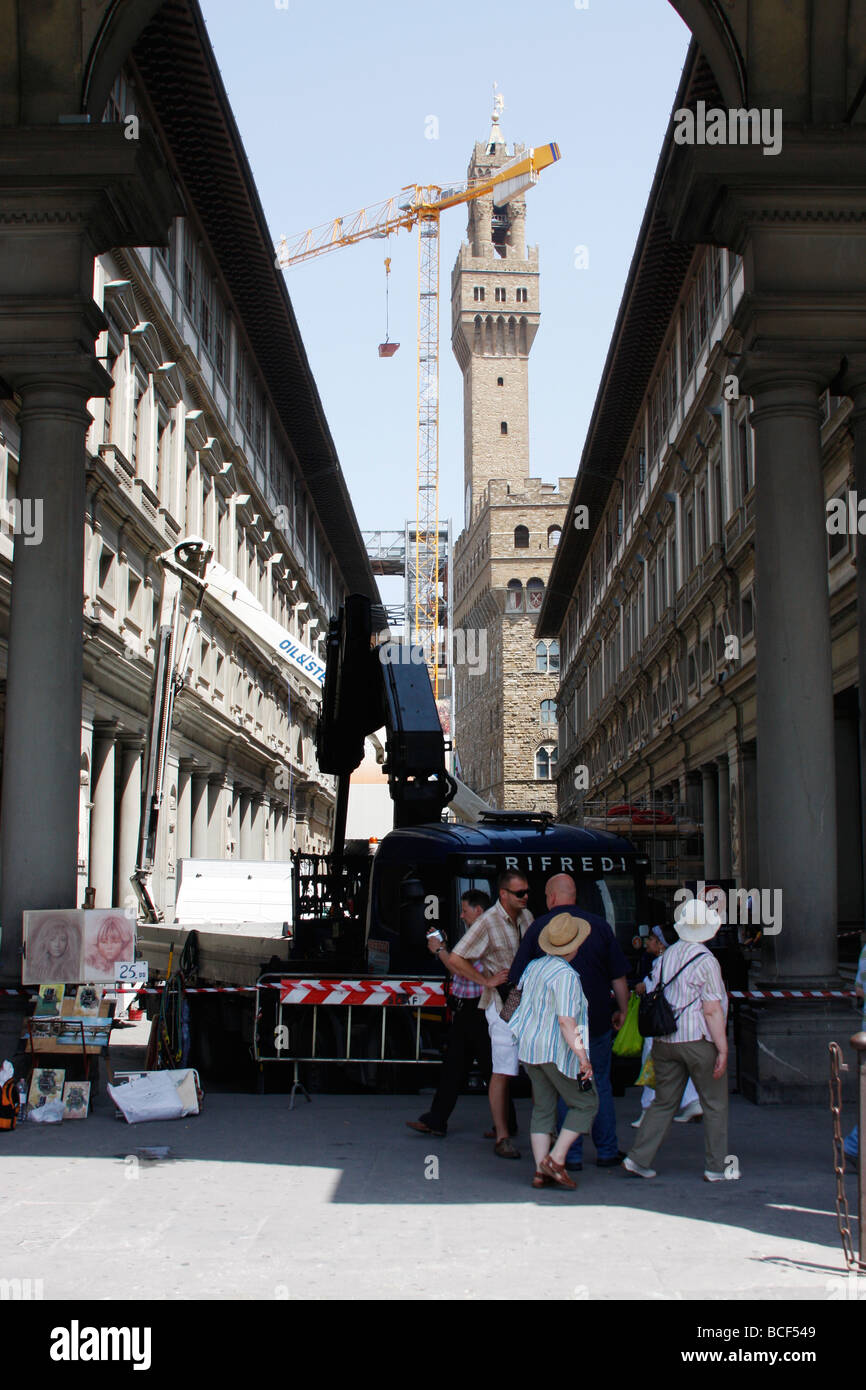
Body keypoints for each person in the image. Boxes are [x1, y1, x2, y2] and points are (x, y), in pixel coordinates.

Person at [509, 873, 628, 1170]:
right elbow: (618, 976)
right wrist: (623, 1010)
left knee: (562, 1089)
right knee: (597, 1083)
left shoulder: (538, 928)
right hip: (597, 1021)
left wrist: (514, 1026)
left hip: (552, 1031)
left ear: (550, 897)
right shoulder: (600, 926)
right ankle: (607, 1150)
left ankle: (567, 1157)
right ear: (574, 895)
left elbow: (516, 982)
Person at [623, 898, 737, 1182]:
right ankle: (716, 1167)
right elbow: (711, 1009)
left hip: (665, 1041)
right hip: (698, 1040)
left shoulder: (667, 956)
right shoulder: (706, 961)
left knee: (663, 1101)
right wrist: (722, 1048)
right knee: (714, 1104)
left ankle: (638, 1158)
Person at [406, 890, 516, 1139]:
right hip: (472, 1008)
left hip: (477, 1007)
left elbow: (460, 969)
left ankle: (442, 1120)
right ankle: (440, 1120)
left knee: (478, 1067)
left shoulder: (484, 933)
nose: (461, 915)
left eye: (465, 909)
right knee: (465, 1066)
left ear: (479, 910)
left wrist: (439, 951)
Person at [506, 913, 597, 1190]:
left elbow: (516, 1000)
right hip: (556, 1051)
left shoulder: (534, 966)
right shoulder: (567, 976)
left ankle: (539, 1171)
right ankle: (555, 1161)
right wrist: (583, 1057)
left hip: (530, 1047)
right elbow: (566, 1021)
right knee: (586, 1103)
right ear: (575, 946)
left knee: (543, 1108)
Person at [448, 870, 533, 1159]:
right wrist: (485, 981)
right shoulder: (487, 922)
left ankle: (542, 1131)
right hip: (504, 1000)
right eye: (519, 893)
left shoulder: (526, 916)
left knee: (538, 1066)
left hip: (528, 999)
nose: (525, 897)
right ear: (504, 894)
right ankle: (502, 1135)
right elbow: (457, 957)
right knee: (503, 1069)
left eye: (526, 892)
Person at [632, 927, 701, 1127]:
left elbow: (653, 986)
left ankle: (649, 1109)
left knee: (652, 1063)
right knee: (677, 1065)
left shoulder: (661, 963)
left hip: (658, 1023)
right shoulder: (679, 961)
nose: (648, 942)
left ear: (661, 944)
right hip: (676, 1021)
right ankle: (692, 1102)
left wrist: (642, 987)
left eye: (652, 939)